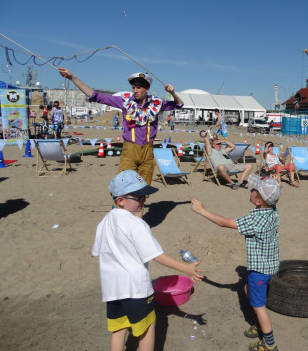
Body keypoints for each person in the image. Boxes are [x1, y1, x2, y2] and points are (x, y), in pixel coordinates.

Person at [92, 170, 203, 351]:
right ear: (120, 200)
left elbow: (97, 250)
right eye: (139, 197)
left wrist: (137, 215)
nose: (143, 201)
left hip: (112, 289)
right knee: (147, 329)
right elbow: (156, 255)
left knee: (119, 330)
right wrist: (186, 268)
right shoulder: (136, 224)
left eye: (145, 196)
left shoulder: (105, 221)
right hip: (136, 289)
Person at [190, 174, 281, 351]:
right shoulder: (273, 209)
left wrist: (202, 211)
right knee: (247, 289)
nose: (251, 189)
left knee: (259, 306)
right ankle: (260, 325)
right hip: (269, 264)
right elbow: (273, 196)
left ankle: (270, 344)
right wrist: (275, 185)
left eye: (254, 190)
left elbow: (224, 223)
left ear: (258, 201)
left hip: (260, 271)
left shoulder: (255, 220)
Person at [58, 68, 183, 185]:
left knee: (144, 187)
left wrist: (172, 92)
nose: (135, 90)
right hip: (130, 150)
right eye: (133, 87)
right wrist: (72, 77)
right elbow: (97, 96)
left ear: (147, 88)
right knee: (124, 186)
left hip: (148, 150)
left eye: (138, 87)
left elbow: (179, 104)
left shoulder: (157, 104)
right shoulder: (125, 102)